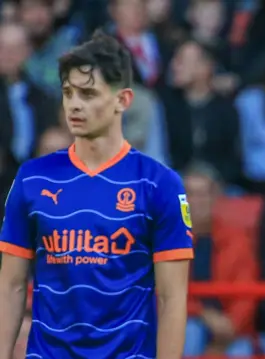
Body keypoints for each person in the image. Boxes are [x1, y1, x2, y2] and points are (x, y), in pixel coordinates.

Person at [0, 31, 194, 358]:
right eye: (68, 93)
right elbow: (11, 285)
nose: (75, 104)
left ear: (123, 100)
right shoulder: (32, 179)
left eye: (88, 94)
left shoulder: (160, 184)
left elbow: (172, 298)